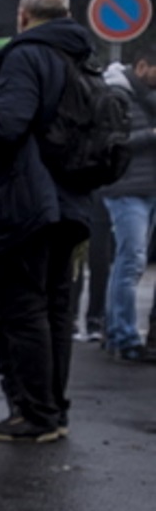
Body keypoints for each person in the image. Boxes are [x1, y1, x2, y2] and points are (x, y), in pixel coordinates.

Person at [0, 0, 96, 443]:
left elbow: (5, 125)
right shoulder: (81, 56)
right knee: (56, 309)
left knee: (23, 308)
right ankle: (53, 411)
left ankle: (35, 413)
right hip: (70, 199)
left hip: (27, 200)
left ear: (24, 15)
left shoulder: (27, 55)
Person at [98, 41, 156, 361]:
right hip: (126, 189)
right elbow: (111, 142)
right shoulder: (117, 94)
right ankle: (123, 336)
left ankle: (116, 329)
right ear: (143, 66)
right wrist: (151, 135)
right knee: (131, 260)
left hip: (149, 188)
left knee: (132, 261)